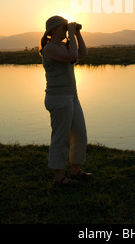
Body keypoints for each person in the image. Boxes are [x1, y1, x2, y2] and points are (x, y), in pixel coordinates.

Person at [40, 15, 92, 187]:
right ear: (53, 31)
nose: (65, 30)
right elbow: (73, 55)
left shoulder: (63, 46)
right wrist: (71, 32)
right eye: (63, 28)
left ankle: (75, 170)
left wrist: (77, 34)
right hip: (58, 98)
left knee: (80, 133)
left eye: (65, 27)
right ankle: (58, 177)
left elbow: (82, 53)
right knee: (61, 138)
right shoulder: (50, 49)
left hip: (71, 96)